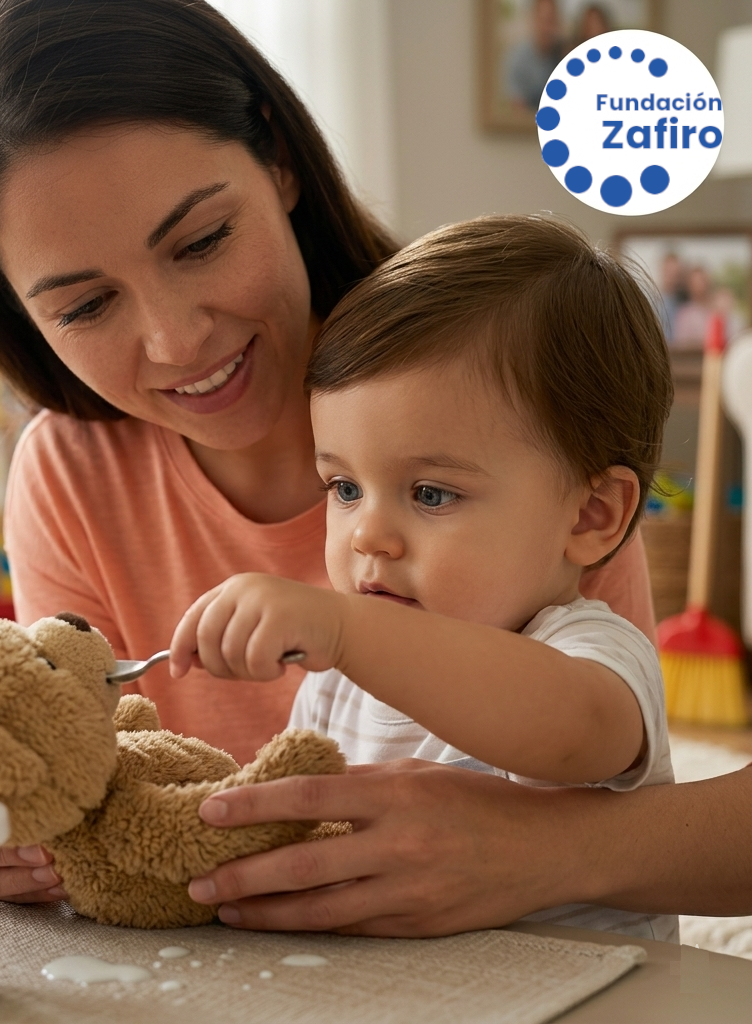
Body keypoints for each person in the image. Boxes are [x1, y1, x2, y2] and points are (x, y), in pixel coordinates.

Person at [0, 0, 696, 928]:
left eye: (201, 242)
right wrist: (32, 823)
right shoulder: (71, 474)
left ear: (279, 158)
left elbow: (587, 738)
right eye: (85, 305)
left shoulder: (513, 409)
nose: (176, 341)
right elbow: (139, 791)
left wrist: (342, 631)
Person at [169, 214, 676, 940]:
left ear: (591, 514)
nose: (367, 534)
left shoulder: (591, 651)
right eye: (343, 488)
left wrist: (346, 628)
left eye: (431, 493)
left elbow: (574, 734)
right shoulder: (336, 683)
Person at [504, 0, 564, 112]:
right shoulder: (517, 59)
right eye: (542, 20)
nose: (546, 28)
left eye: (551, 21)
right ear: (533, 20)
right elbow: (517, 110)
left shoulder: (563, 56)